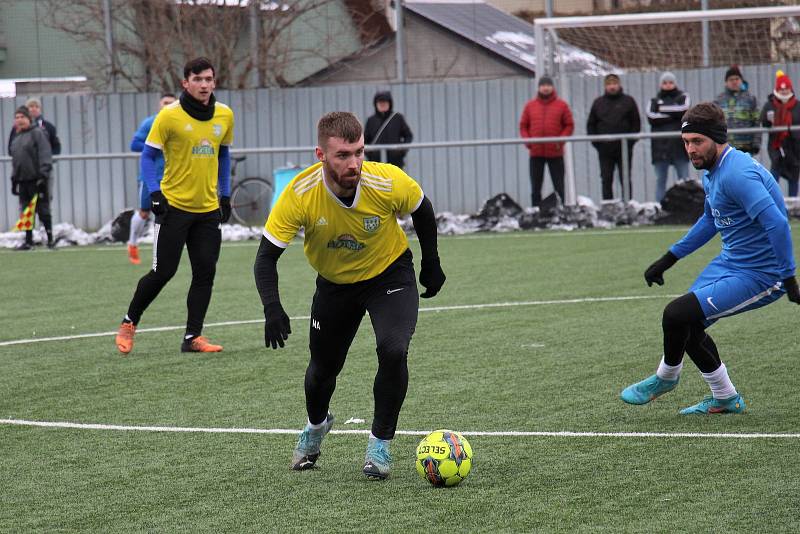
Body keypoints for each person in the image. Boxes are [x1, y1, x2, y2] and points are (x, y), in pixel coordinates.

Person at [254, 111, 445, 480]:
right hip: (335, 285)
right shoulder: (300, 193)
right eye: (343, 155)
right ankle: (315, 426)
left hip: (389, 274)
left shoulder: (386, 180)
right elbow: (266, 257)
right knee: (321, 373)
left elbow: (422, 208)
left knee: (393, 349)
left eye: (359, 152)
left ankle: (380, 444)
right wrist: (272, 307)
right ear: (320, 155)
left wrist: (431, 262)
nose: (354, 162)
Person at [621, 102, 799, 414]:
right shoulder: (714, 170)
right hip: (731, 263)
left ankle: (666, 377)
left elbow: (777, 223)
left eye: (697, 141)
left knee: (675, 314)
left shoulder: (737, 174)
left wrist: (788, 277)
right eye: (686, 142)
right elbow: (710, 219)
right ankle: (726, 398)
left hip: (761, 274)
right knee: (686, 325)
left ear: (717, 138)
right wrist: (669, 258)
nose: (690, 149)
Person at [115, 58, 234, 355]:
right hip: (174, 208)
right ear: (186, 83)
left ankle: (192, 337)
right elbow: (147, 156)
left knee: (205, 272)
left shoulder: (225, 114)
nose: (204, 84)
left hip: (207, 211)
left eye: (209, 79)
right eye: (198, 79)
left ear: (214, 82)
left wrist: (226, 194)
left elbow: (224, 156)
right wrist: (155, 193)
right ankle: (130, 321)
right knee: (162, 271)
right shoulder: (169, 116)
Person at [128, 92, 177, 264]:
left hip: (172, 178)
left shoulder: (179, 123)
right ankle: (132, 244)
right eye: (165, 102)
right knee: (144, 212)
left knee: (171, 213)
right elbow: (134, 145)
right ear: (159, 105)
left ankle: (164, 251)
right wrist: (157, 146)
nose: (167, 105)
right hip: (151, 178)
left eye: (171, 103)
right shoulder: (150, 122)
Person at [518, 76, 575, 207]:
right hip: (536, 153)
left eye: (548, 85)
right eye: (543, 85)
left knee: (559, 185)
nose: (545, 88)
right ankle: (535, 211)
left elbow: (569, 125)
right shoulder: (530, 106)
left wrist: (559, 141)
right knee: (536, 186)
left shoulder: (562, 105)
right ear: (539, 87)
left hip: (555, 152)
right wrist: (528, 142)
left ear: (552, 87)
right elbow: (523, 126)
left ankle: (560, 210)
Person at [587, 74, 641, 200]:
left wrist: (629, 143)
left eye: (614, 84)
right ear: (605, 86)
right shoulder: (598, 103)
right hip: (605, 149)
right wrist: (598, 144)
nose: (612, 87)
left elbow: (636, 123)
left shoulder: (628, 101)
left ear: (619, 85)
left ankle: (627, 205)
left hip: (624, 148)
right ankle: (608, 207)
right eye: (609, 84)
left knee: (625, 179)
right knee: (606, 178)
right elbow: (591, 125)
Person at [9, 105, 54, 250]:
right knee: (26, 211)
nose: (19, 120)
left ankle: (50, 239)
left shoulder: (37, 133)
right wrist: (14, 179)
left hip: (37, 178)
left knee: (43, 210)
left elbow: (45, 153)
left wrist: (43, 174)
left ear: (28, 119)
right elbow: (16, 160)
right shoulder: (16, 138)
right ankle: (28, 240)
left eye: (22, 117)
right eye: (17, 118)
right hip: (23, 180)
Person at [646, 72, 690, 202]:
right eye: (665, 83)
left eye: (670, 82)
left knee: (684, 180)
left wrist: (661, 109)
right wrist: (674, 115)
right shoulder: (653, 101)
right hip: (661, 148)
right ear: (661, 85)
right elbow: (651, 117)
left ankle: (687, 207)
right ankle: (660, 208)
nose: (668, 85)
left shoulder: (683, 97)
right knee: (661, 181)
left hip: (680, 147)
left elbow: (684, 110)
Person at [761, 70, 800, 197]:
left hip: (794, 147)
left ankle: (793, 210)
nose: (784, 91)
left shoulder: (797, 105)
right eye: (781, 89)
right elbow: (763, 120)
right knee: (773, 177)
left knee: (793, 178)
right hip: (777, 147)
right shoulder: (770, 105)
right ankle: (772, 205)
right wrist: (767, 121)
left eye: (786, 89)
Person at [714, 65, 761, 156]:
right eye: (731, 79)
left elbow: (757, 122)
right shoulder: (718, 101)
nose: (734, 82)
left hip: (746, 148)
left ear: (741, 80)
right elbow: (714, 123)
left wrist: (756, 144)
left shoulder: (751, 99)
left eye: (737, 79)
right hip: (725, 148)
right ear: (726, 82)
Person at [364, 91, 413, 169]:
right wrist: (370, 153)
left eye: (385, 102)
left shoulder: (398, 118)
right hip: (376, 164)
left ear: (390, 103)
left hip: (395, 163)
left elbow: (408, 135)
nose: (382, 105)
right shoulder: (371, 120)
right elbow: (364, 140)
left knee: (396, 181)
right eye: (380, 102)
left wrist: (401, 151)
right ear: (375, 104)